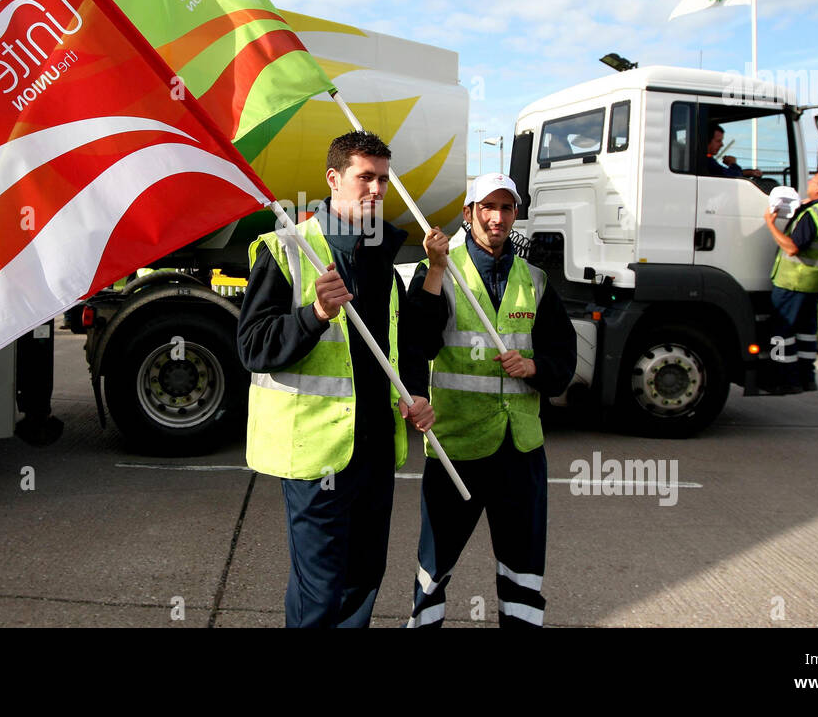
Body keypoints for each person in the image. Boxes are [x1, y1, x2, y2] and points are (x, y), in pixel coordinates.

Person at [236, 131, 434, 627]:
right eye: (364, 177)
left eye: (383, 180)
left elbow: (400, 343)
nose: (376, 189)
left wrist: (417, 394)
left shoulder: (383, 259)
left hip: (374, 451)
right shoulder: (286, 250)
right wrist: (315, 314)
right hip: (316, 452)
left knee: (363, 581)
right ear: (333, 179)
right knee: (320, 591)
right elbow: (253, 347)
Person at [404, 173, 576, 628]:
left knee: (523, 567)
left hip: (520, 451)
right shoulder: (439, 267)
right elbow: (417, 340)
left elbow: (564, 356)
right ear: (468, 213)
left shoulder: (534, 279)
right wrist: (436, 269)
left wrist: (534, 367)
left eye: (506, 208)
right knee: (434, 565)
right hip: (457, 446)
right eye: (487, 207)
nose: (497, 218)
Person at [764, 169, 818, 392]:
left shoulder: (814, 214)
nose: (809, 182)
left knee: (781, 331)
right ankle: (806, 377)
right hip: (817, 281)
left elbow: (792, 248)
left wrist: (771, 224)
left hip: (795, 281)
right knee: (806, 331)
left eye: (813, 180)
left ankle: (783, 380)